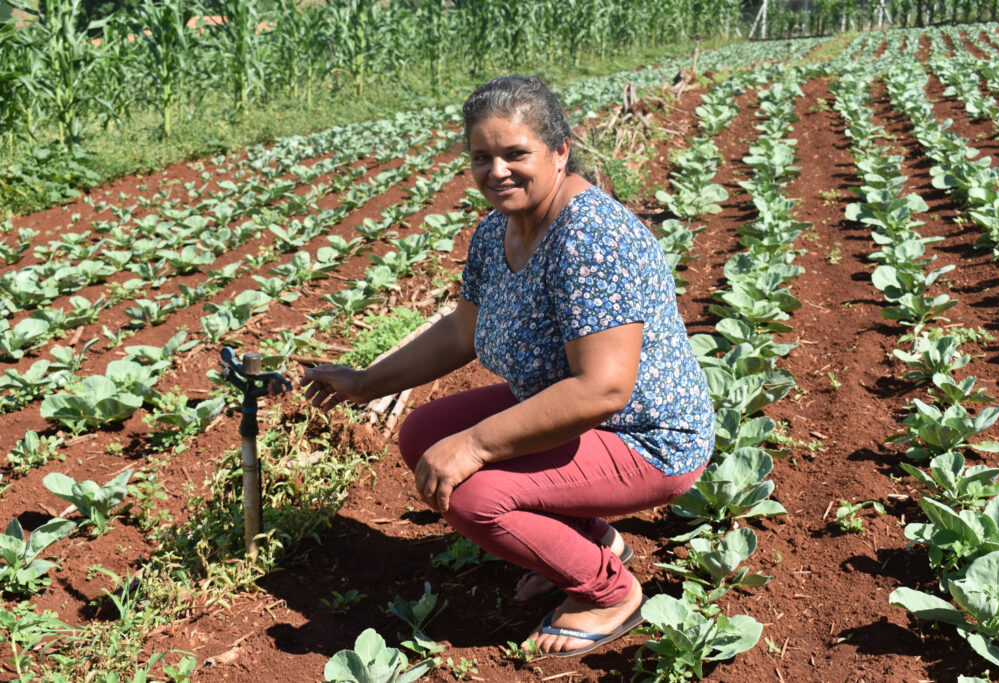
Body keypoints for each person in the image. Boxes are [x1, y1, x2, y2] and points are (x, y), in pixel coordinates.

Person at [300, 75, 714, 657]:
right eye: (481, 157)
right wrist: (365, 383)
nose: (497, 171)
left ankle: (607, 592)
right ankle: (590, 540)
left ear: (560, 152)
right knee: (423, 433)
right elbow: (460, 331)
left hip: (644, 436)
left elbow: (604, 389)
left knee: (474, 493)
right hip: (571, 412)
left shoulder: (591, 238)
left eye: (515, 153)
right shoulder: (498, 229)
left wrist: (474, 446)